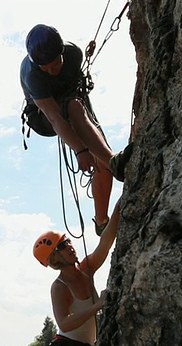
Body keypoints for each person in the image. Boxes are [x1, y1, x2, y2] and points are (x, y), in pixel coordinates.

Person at [20, 24, 131, 235]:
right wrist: (80, 150)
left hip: (74, 99)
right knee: (74, 111)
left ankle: (101, 222)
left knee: (102, 154)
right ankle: (114, 163)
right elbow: (53, 116)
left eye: (55, 64)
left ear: (62, 52)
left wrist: (87, 148)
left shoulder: (74, 54)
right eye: (46, 68)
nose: (52, 71)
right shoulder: (33, 75)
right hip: (44, 116)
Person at [32, 200, 120, 346]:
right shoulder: (59, 287)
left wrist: (118, 209)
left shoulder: (87, 268)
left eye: (67, 241)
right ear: (53, 259)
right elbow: (64, 323)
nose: (70, 246)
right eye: (62, 246)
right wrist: (98, 305)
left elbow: (105, 243)